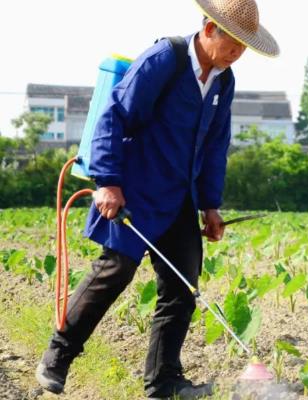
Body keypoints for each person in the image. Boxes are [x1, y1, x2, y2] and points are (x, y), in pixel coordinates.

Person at [35, 0, 279, 398]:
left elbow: (216, 146)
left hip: (180, 196)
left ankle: (164, 381)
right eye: (233, 43)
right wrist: (108, 181)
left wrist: (210, 205)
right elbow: (113, 116)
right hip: (136, 189)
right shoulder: (165, 58)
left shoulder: (223, 80)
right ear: (208, 29)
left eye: (243, 48)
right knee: (114, 272)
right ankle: (57, 357)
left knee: (182, 288)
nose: (237, 54)